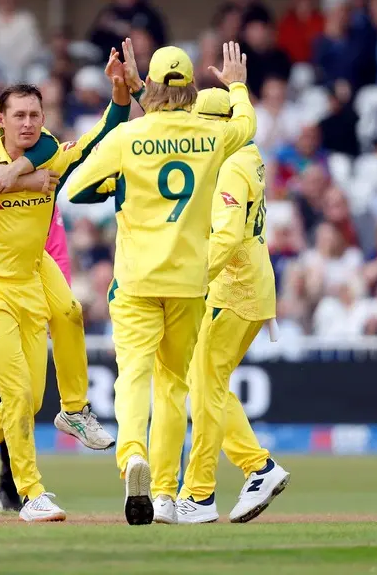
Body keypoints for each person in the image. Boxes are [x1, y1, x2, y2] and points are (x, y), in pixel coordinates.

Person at [0, 49, 132, 522]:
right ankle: (32, 493)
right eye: (17, 115)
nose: (27, 123)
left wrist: (119, 97)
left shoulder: (50, 153)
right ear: (1, 119)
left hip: (31, 281)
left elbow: (99, 138)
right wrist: (31, 177)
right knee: (17, 395)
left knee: (41, 381)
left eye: (35, 115)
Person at [65, 41, 256, 525]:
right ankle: (167, 493)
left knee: (133, 375)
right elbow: (246, 127)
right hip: (190, 283)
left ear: (148, 86)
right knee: (173, 385)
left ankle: (132, 456)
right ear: (192, 89)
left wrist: (123, 184)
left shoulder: (128, 137)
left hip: (135, 280)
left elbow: (77, 188)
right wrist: (236, 84)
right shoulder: (211, 137)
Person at [175, 88, 290, 524]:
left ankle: (202, 493)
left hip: (234, 290)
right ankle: (257, 468)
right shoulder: (249, 151)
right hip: (250, 287)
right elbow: (246, 115)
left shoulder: (228, 168)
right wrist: (239, 88)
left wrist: (192, 278)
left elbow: (225, 236)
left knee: (205, 388)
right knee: (209, 384)